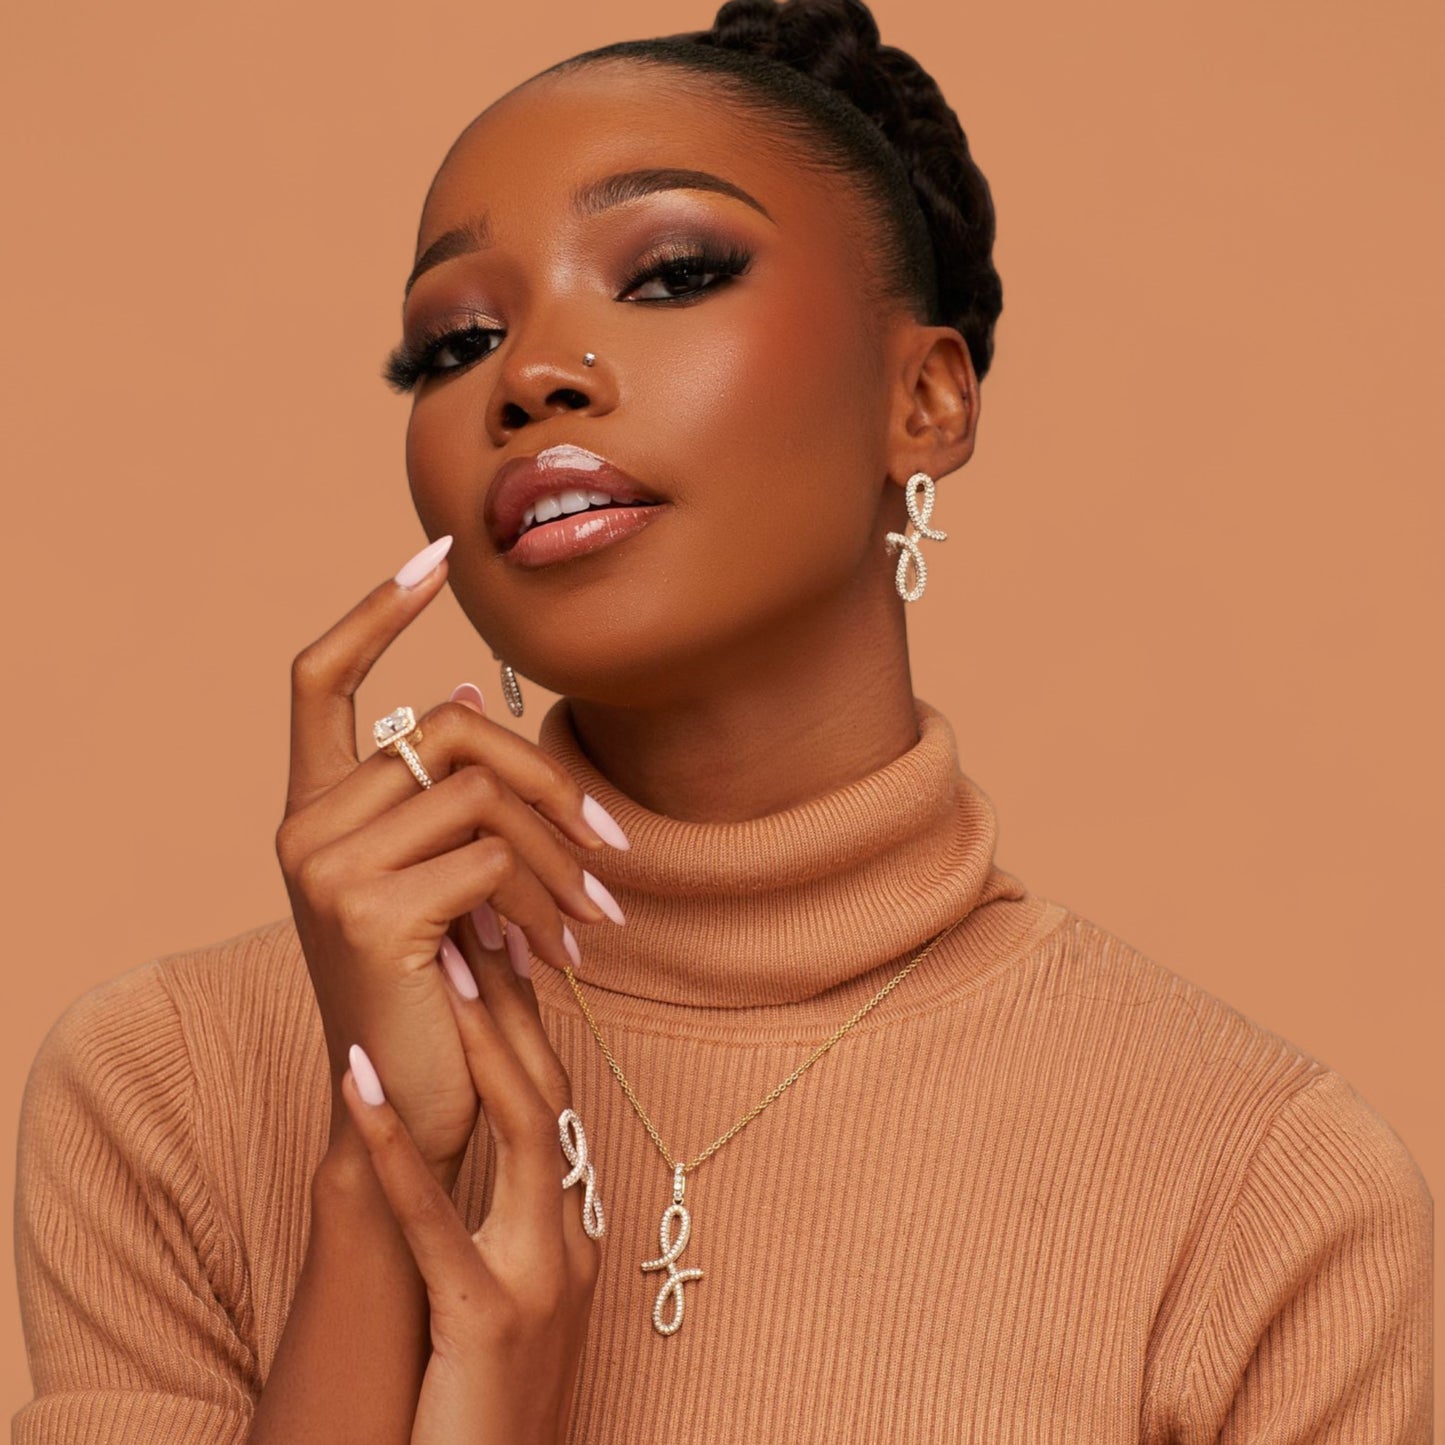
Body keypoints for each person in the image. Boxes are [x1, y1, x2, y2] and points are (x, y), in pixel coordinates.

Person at [12, 0, 1432, 1441]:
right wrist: (381, 1190)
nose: (531, 376)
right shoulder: (170, 1085)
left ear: (926, 399)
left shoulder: (1258, 1187)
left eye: (673, 272)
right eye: (454, 342)